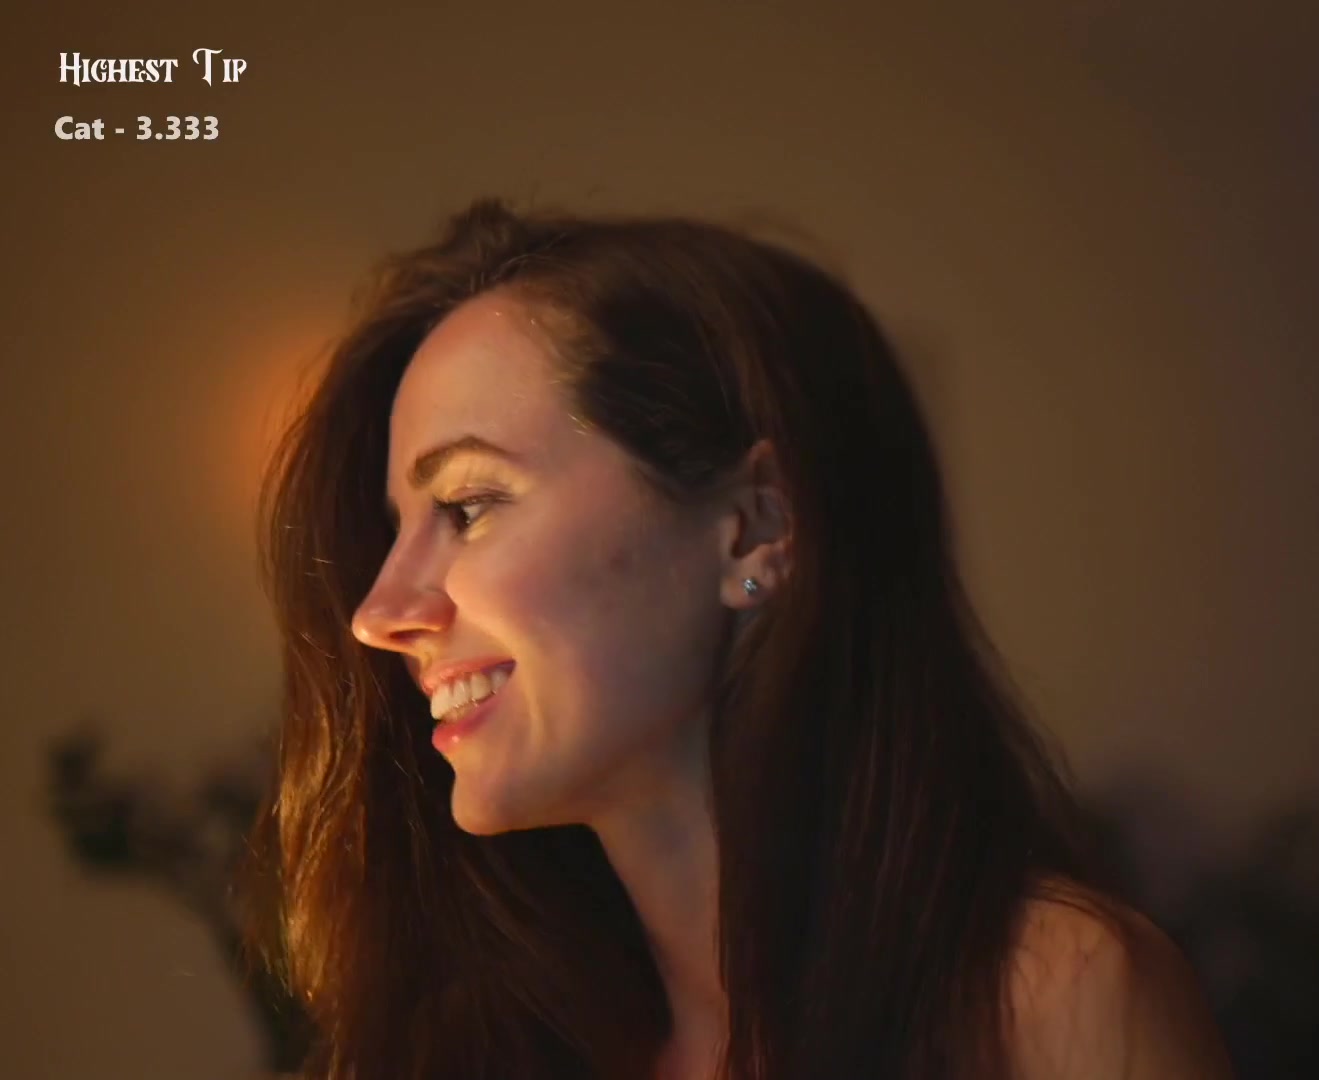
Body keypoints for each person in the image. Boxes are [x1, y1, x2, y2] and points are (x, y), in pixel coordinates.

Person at [240, 197, 1235, 1079]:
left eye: (467, 505)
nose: (380, 612)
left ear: (754, 526)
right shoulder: (456, 1053)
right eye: (396, 531)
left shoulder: (1053, 1003)